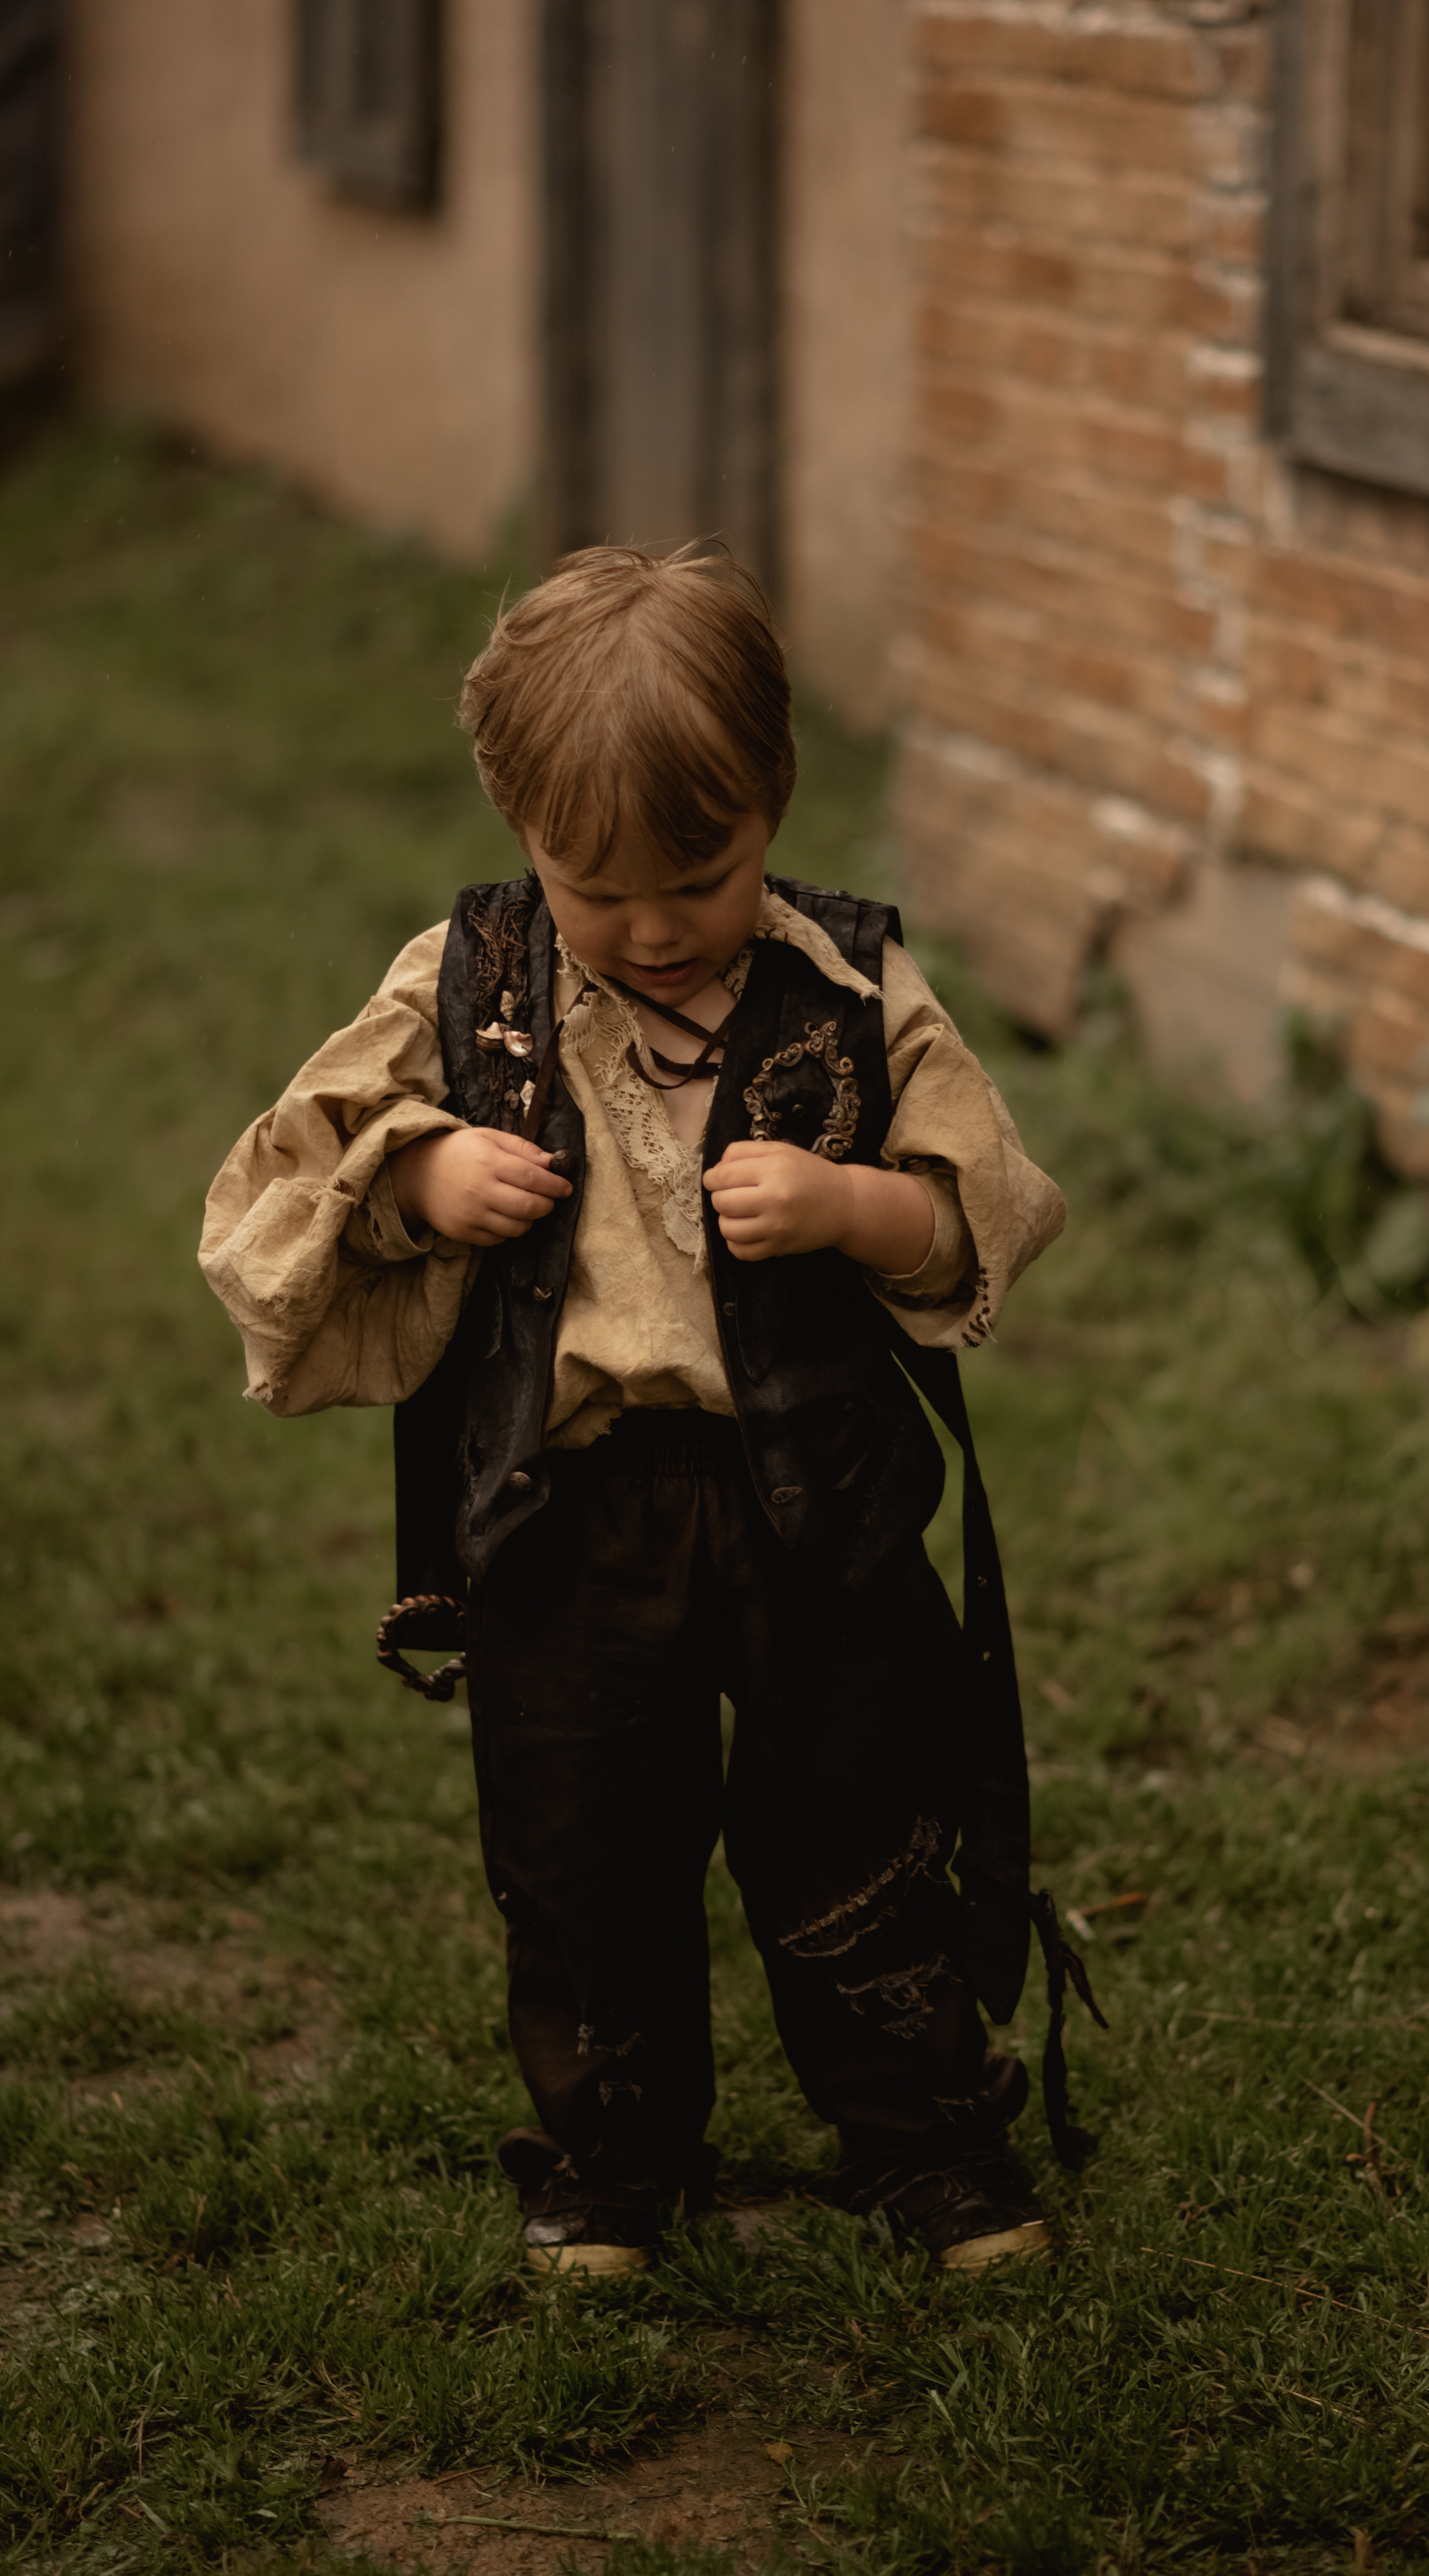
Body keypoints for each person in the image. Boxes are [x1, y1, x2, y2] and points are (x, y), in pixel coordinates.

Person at [200, 542, 1070, 2278]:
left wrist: (850, 1209)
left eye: (706, 874)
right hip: (575, 1513)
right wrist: (423, 1172)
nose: (659, 927)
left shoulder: (846, 985)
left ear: (775, 802)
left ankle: (927, 2143)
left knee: (858, 1822)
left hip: (810, 1498)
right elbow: (273, 1202)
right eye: (601, 891)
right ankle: (611, 2156)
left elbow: (978, 1210)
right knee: (586, 1843)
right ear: (518, 823)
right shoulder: (470, 988)